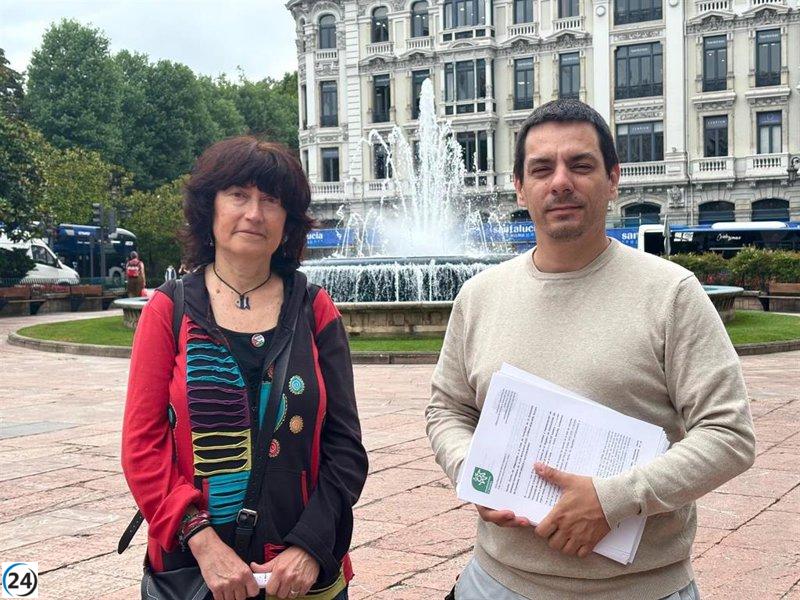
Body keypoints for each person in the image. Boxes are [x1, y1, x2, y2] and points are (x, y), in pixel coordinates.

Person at [425, 100, 755, 600]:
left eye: (580, 165)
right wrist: (473, 468)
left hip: (640, 589)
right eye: (541, 168)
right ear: (519, 186)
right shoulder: (479, 296)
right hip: (494, 582)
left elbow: (729, 435)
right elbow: (447, 408)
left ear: (613, 178)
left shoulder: (671, 293)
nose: (560, 182)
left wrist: (613, 500)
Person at [122, 137, 368, 600]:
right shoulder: (168, 310)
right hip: (191, 569)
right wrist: (202, 541)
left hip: (300, 576)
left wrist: (309, 547)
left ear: (287, 222)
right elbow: (142, 447)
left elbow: (345, 448)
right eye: (238, 195)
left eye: (271, 200)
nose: (254, 213)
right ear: (208, 208)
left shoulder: (314, 309)